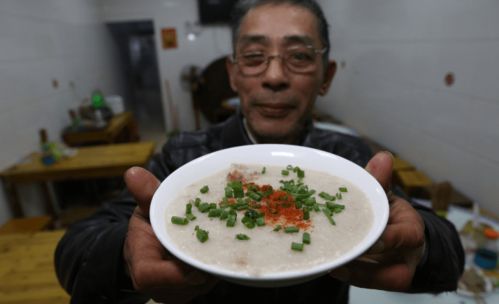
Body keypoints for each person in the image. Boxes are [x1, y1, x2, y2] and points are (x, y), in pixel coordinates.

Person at [55, 0, 464, 303]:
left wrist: (422, 242)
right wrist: (125, 254)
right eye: (254, 57)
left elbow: (449, 255)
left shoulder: (349, 159)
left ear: (327, 76)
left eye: (300, 56)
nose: (274, 76)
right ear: (233, 74)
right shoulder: (185, 157)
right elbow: (73, 252)